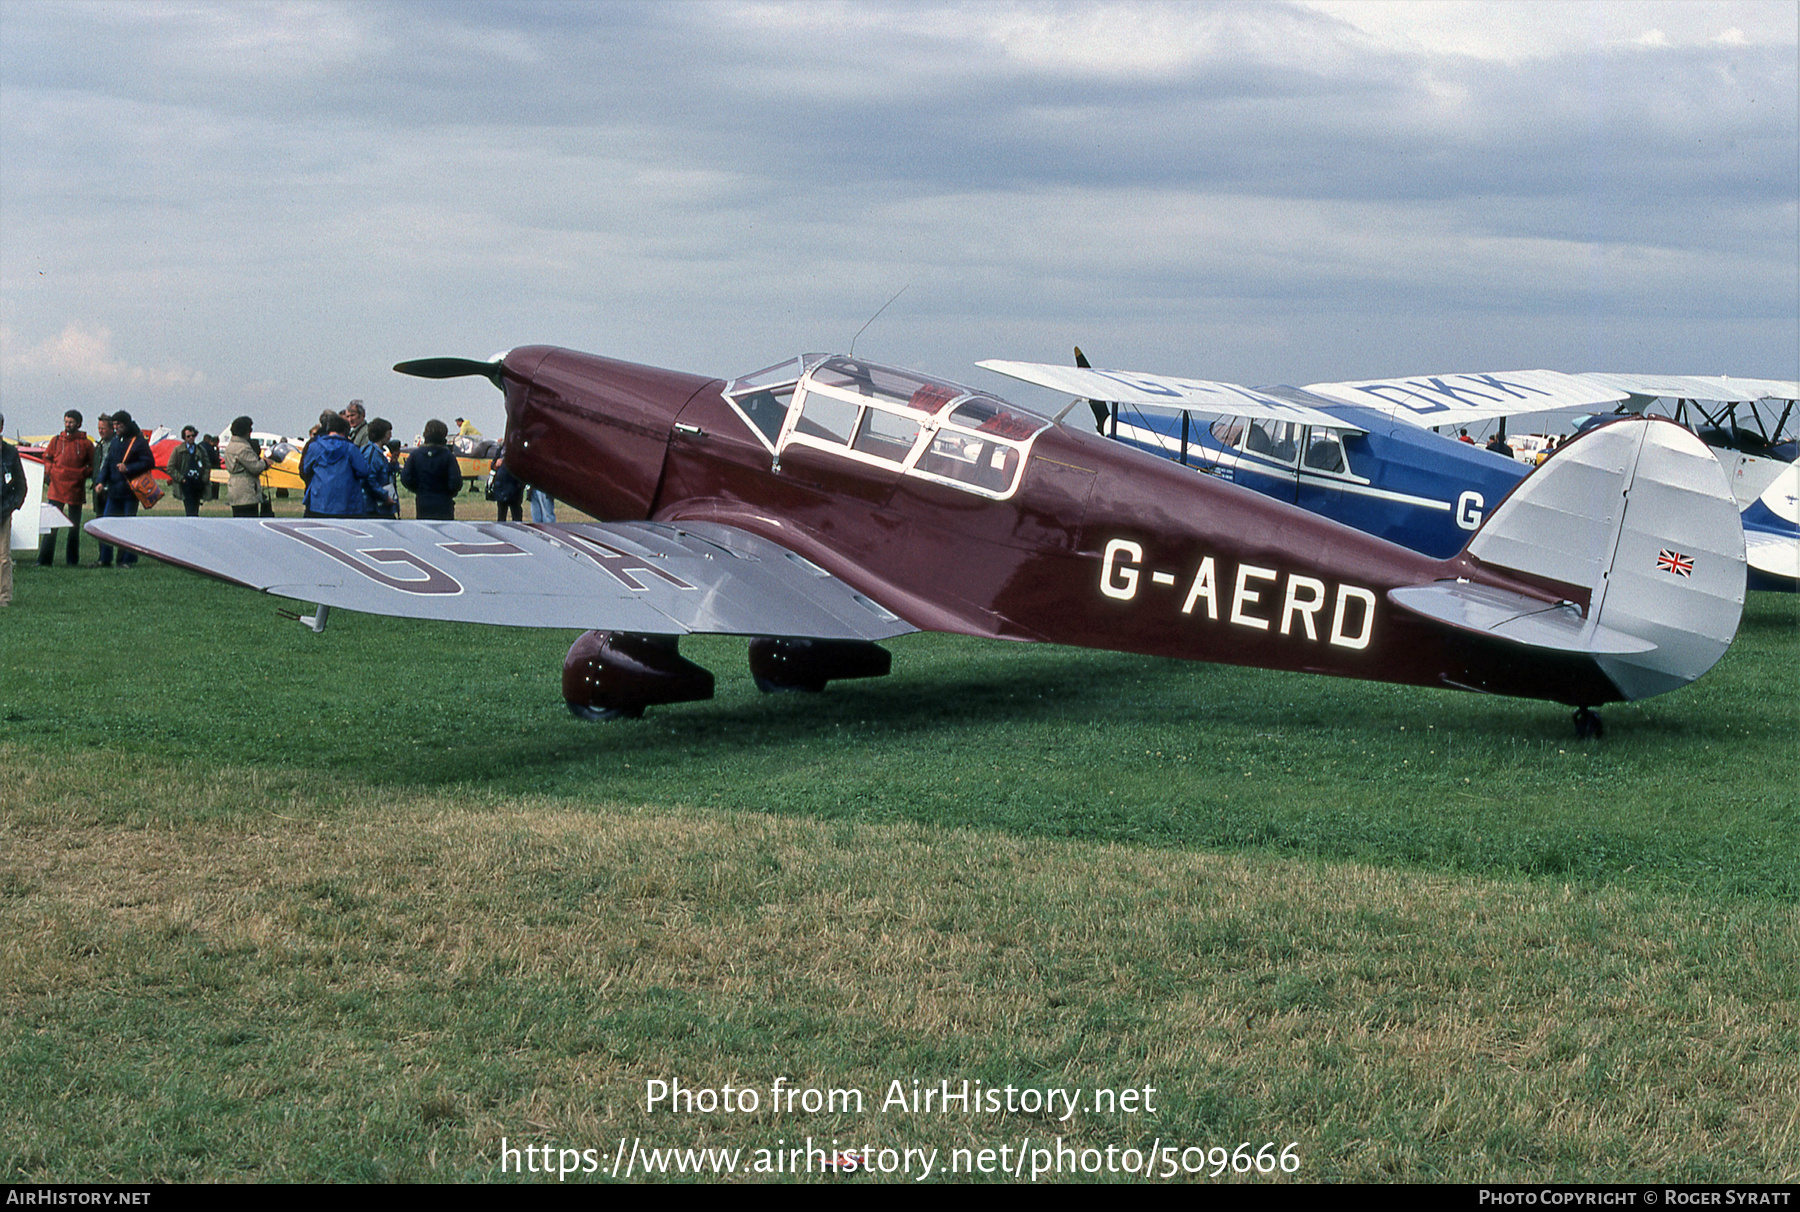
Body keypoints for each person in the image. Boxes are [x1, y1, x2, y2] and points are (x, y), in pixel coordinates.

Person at [96, 410, 154, 568]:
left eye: (119, 425)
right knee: (106, 525)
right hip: (114, 491)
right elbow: (108, 463)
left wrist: (128, 468)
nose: (116, 428)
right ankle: (105, 559)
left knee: (129, 527)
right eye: (114, 425)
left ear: (127, 424)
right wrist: (100, 481)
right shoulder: (115, 441)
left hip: (130, 492)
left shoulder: (138, 441)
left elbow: (149, 462)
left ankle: (127, 559)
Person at [39, 410, 96, 567]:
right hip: (56, 489)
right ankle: (44, 560)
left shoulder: (86, 444)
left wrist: (82, 474)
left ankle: (72, 561)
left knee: (73, 527)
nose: (67, 425)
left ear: (78, 424)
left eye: (70, 422)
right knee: (51, 526)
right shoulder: (56, 441)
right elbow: (47, 458)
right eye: (66, 421)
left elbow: (93, 464)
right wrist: (51, 471)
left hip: (75, 489)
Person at [300, 412, 376, 518]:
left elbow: (305, 470)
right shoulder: (350, 448)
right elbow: (364, 471)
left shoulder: (315, 447)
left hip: (318, 504)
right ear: (345, 431)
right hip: (347, 504)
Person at [402, 419, 462, 519]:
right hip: (444, 502)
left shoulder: (415, 455)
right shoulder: (448, 456)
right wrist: (448, 493)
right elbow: (455, 482)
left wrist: (419, 489)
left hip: (422, 500)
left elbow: (406, 478)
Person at [1, 412, 28, 605]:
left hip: (3, 512)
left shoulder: (10, 452)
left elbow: (21, 484)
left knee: (3, 558)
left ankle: (4, 597)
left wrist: (13, 505)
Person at [223, 416, 272, 517]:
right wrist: (265, 463)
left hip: (234, 488)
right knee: (249, 517)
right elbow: (255, 467)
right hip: (246, 490)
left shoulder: (230, 446)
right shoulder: (243, 448)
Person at [90, 413, 116, 566]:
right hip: (99, 490)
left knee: (112, 524)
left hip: (111, 490)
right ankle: (103, 557)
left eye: (103, 428)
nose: (101, 431)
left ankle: (115, 558)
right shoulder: (99, 445)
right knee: (100, 523)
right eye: (99, 428)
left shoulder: (116, 444)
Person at [167, 425, 209, 516]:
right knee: (189, 507)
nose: (191, 438)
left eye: (193, 436)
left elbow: (207, 466)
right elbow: (170, 467)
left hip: (198, 482)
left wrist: (204, 479)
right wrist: (181, 479)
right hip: (186, 483)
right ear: (184, 437)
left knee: (196, 507)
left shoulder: (201, 450)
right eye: (188, 436)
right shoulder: (178, 450)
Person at [361, 418, 399, 518]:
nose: (390, 436)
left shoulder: (379, 453)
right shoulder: (372, 454)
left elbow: (383, 472)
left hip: (380, 505)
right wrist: (384, 496)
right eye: (388, 433)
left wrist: (393, 464)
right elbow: (369, 479)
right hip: (374, 506)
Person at [490, 449, 524, 521]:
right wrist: (495, 464)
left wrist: (520, 485)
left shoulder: (518, 449)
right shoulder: (501, 449)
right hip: (501, 487)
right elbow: (493, 465)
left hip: (515, 487)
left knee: (516, 515)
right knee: (501, 515)